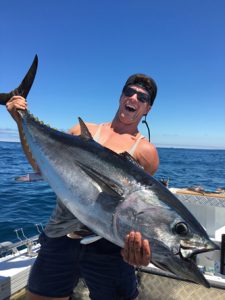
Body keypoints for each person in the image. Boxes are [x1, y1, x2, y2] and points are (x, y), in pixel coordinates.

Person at [6, 73, 159, 300]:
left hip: (110, 247)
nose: (134, 98)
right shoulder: (83, 131)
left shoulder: (146, 153)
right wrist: (21, 120)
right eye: (129, 92)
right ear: (120, 97)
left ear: (147, 108)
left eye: (142, 97)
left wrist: (145, 247)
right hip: (61, 234)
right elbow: (41, 166)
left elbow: (138, 207)